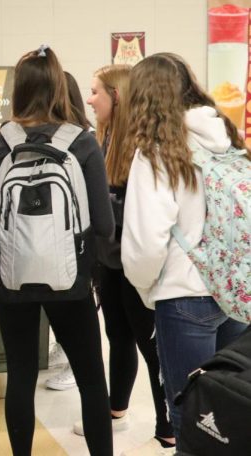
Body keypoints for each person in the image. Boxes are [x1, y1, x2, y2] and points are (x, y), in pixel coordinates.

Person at [0, 45, 115, 456]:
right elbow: (104, 225)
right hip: (70, 279)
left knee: (20, 373)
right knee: (91, 378)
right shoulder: (82, 143)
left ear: (18, 88)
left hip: (10, 278)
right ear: (59, 86)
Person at [121, 53, 248, 448]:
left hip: (183, 296)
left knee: (191, 414)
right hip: (234, 293)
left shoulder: (157, 150)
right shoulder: (227, 137)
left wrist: (146, 291)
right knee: (232, 412)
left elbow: (146, 242)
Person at [84, 64, 175, 454]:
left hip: (138, 266)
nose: (90, 100)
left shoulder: (143, 149)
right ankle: (116, 407)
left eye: (96, 92)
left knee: (151, 346)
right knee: (116, 337)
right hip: (110, 262)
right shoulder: (100, 141)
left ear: (116, 96)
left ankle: (168, 425)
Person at [44, 71, 92, 393]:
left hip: (73, 241)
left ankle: (71, 359)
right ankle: (65, 348)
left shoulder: (81, 140)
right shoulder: (76, 139)